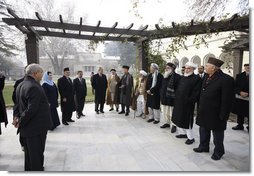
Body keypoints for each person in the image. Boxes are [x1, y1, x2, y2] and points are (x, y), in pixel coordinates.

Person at [13, 64, 52, 171]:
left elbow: (17, 105)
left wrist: (16, 118)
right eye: (41, 72)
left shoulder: (21, 84)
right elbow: (31, 109)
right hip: (35, 128)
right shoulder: (34, 86)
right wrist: (19, 120)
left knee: (29, 156)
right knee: (36, 156)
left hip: (27, 128)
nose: (42, 74)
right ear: (35, 73)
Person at [194, 57, 234, 161]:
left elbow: (227, 100)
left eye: (207, 66)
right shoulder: (206, 76)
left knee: (217, 135)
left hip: (216, 113)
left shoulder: (226, 79)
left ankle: (219, 151)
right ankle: (204, 146)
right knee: (203, 130)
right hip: (204, 111)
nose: (205, 67)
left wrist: (223, 115)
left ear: (214, 68)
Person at [172, 61, 201, 145]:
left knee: (186, 121)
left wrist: (189, 101)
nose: (186, 70)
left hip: (187, 104)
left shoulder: (196, 78)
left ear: (193, 69)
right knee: (178, 119)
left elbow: (196, 93)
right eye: (186, 68)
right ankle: (183, 134)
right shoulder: (183, 77)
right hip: (178, 103)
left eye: (189, 68)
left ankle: (191, 138)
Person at [160, 63, 181, 133]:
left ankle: (174, 125)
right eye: (166, 67)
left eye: (168, 67)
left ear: (173, 68)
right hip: (164, 98)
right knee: (165, 112)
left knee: (172, 113)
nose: (166, 69)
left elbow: (178, 89)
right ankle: (167, 123)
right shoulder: (165, 76)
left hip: (172, 99)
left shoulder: (177, 77)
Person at [231, 64, 249, 131]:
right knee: (240, 112)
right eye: (247, 67)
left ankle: (250, 126)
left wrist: (248, 93)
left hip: (250, 97)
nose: (248, 69)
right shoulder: (239, 76)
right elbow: (235, 86)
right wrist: (240, 92)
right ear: (244, 68)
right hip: (240, 97)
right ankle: (240, 125)